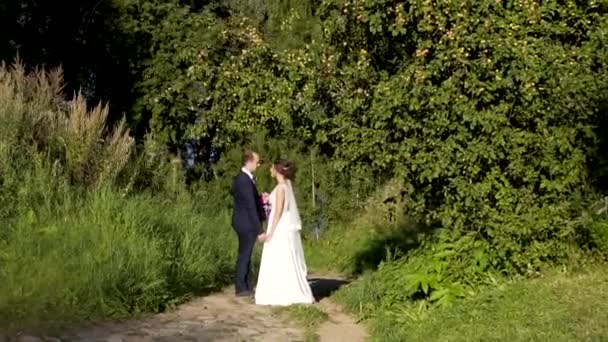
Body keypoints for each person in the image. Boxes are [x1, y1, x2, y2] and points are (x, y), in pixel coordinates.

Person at [255, 159, 315, 306]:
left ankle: (282, 291)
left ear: (277, 170)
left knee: (279, 256)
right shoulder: (283, 186)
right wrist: (267, 198)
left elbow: (279, 212)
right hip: (281, 225)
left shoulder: (282, 188)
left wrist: (271, 232)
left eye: (271, 168)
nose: (270, 170)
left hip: (279, 226)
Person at [231, 150, 266, 297]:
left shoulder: (244, 179)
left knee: (246, 254)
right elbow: (250, 206)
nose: (258, 164)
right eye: (257, 162)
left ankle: (245, 285)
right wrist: (260, 230)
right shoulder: (244, 180)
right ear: (249, 161)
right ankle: (241, 287)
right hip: (246, 222)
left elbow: (247, 199)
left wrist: (259, 198)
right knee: (245, 254)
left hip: (243, 220)